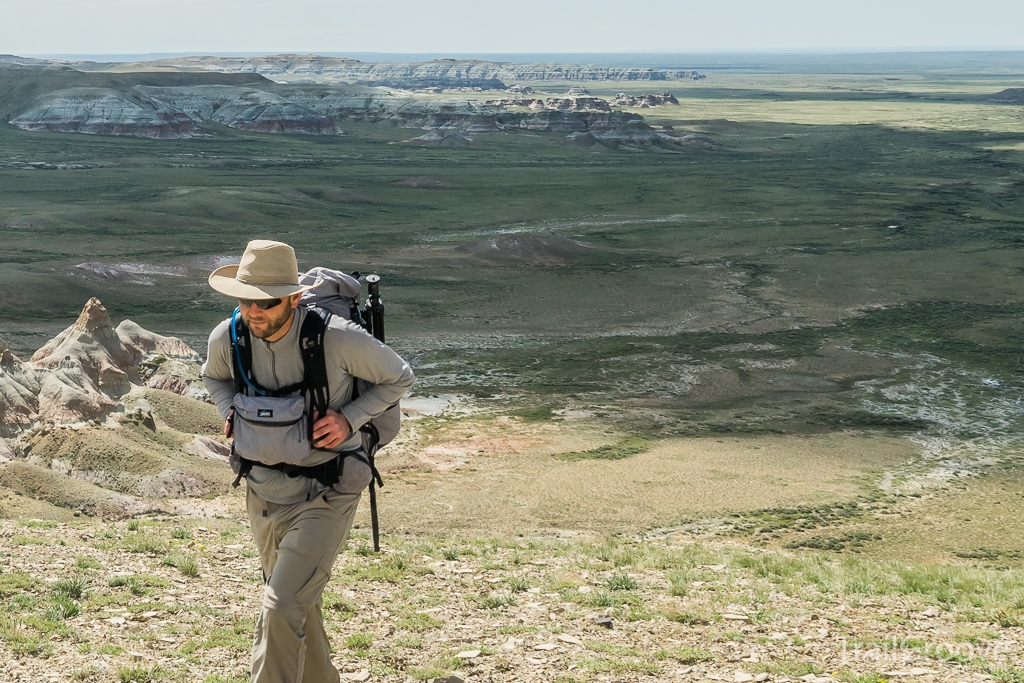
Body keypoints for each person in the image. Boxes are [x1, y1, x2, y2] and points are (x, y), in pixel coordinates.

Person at [202, 239, 414, 683]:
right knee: (298, 603)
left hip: (327, 491)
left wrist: (350, 419)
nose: (253, 312)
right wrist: (228, 410)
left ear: (294, 299)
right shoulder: (230, 335)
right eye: (245, 300)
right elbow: (214, 377)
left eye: (267, 302)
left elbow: (399, 375)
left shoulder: (335, 338)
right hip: (262, 490)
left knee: (280, 608)